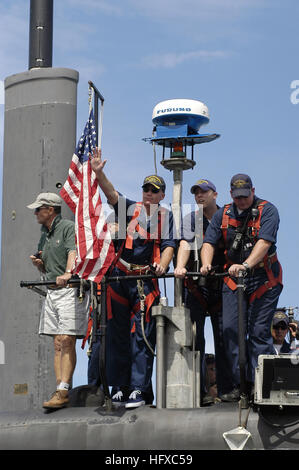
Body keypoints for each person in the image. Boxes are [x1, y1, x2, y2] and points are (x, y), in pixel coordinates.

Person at [90, 148, 176, 408]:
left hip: (144, 282)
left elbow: (170, 244)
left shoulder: (165, 216)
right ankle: (118, 387)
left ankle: (138, 389)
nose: (149, 194)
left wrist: (162, 265)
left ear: (162, 195)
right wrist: (99, 172)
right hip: (119, 278)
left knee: (141, 336)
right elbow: (111, 193)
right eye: (146, 189)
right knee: (117, 335)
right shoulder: (130, 208)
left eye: (154, 191)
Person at [201, 174, 283, 401]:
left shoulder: (268, 211)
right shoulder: (223, 214)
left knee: (257, 332)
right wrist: (207, 263)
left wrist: (245, 265)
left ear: (253, 191)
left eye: (245, 197)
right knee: (230, 330)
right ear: (231, 196)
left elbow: (264, 243)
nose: (242, 201)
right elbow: (208, 242)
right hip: (234, 279)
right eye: (238, 198)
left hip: (263, 279)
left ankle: (259, 384)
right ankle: (237, 385)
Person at [28, 192, 90, 409]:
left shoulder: (66, 227)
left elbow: (73, 252)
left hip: (69, 289)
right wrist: (39, 265)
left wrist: (68, 273)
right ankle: (59, 389)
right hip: (53, 291)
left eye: (38, 209)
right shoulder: (44, 233)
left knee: (66, 339)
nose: (35, 213)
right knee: (56, 342)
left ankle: (64, 388)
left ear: (50, 209)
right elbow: (47, 264)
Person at [174, 179, 232, 404]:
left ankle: (228, 389)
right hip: (197, 287)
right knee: (195, 339)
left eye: (204, 192)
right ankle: (199, 391)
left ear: (215, 195)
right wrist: (180, 267)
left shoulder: (226, 218)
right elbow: (184, 245)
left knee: (224, 337)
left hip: (221, 286)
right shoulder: (192, 220)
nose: (199, 196)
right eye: (196, 193)